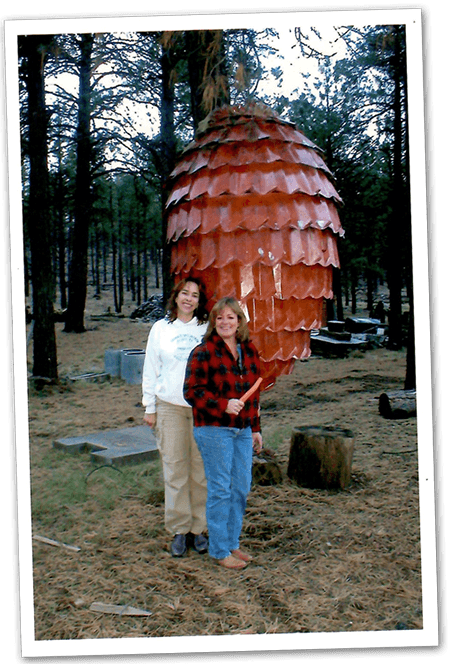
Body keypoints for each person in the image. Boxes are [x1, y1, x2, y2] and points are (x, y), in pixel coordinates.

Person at [183, 297, 263, 569]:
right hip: (213, 429)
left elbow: (254, 393)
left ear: (239, 321)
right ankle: (218, 550)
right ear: (213, 322)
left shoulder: (249, 350)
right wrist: (223, 405)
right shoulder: (203, 351)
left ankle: (232, 543)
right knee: (220, 489)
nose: (225, 322)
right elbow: (192, 392)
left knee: (240, 487)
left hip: (242, 431)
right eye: (219, 318)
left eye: (231, 317)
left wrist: (255, 428)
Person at [142, 278, 209, 557]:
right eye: (185, 293)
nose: (189, 299)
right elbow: (150, 367)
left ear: (199, 301)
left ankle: (199, 528)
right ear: (176, 296)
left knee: (201, 471)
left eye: (195, 295)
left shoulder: (206, 329)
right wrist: (149, 406)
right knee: (175, 469)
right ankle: (180, 530)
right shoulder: (160, 329)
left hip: (201, 409)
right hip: (169, 406)